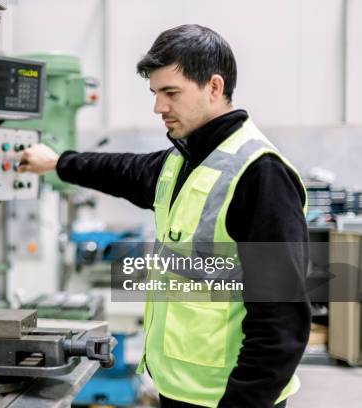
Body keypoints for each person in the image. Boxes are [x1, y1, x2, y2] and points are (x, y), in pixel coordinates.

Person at [18, 24, 310, 408]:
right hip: (178, 389)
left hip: (228, 397)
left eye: (171, 93)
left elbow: (282, 323)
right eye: (155, 93)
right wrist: (58, 163)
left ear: (214, 87)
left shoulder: (260, 173)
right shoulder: (182, 162)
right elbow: (121, 170)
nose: (159, 107)